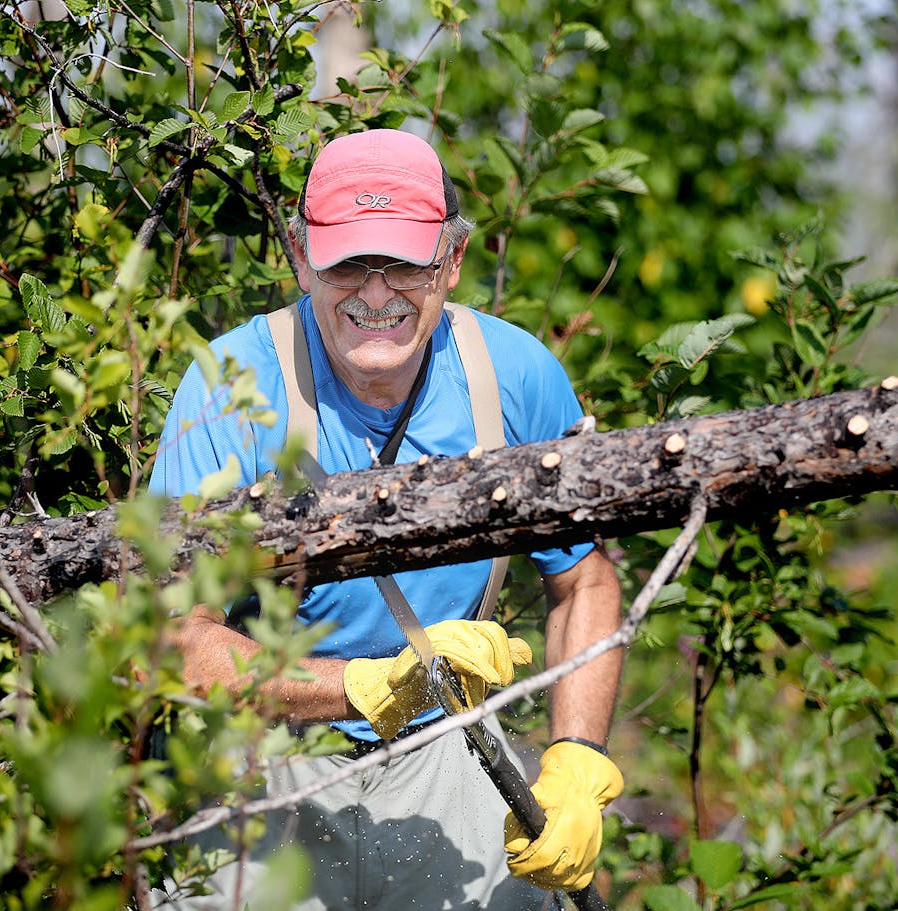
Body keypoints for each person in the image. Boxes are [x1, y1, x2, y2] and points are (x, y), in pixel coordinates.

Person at [148, 128, 625, 910]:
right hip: (263, 755)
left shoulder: (513, 375)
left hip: (457, 747)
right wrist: (365, 685)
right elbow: (168, 640)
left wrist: (574, 759)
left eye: (403, 261)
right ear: (301, 258)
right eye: (346, 263)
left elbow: (584, 582)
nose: (376, 293)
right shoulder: (230, 387)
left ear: (453, 261)